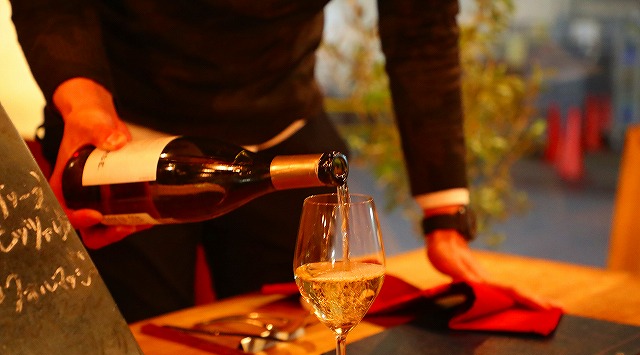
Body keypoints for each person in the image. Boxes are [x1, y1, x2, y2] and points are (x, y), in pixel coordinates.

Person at [11, 0, 488, 322]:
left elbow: (421, 28)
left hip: (282, 131)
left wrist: (445, 214)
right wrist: (85, 106)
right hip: (123, 139)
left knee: (296, 351)